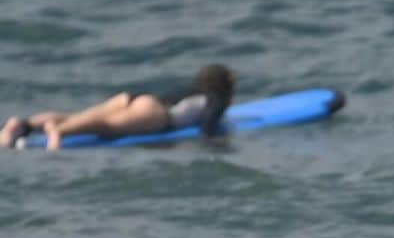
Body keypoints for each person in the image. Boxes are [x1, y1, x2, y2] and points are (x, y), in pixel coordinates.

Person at [0, 63, 236, 150]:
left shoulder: (193, 90)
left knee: (75, 116)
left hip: (136, 98)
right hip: (156, 114)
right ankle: (58, 132)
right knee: (106, 126)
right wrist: (214, 142)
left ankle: (23, 125)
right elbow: (209, 122)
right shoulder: (215, 99)